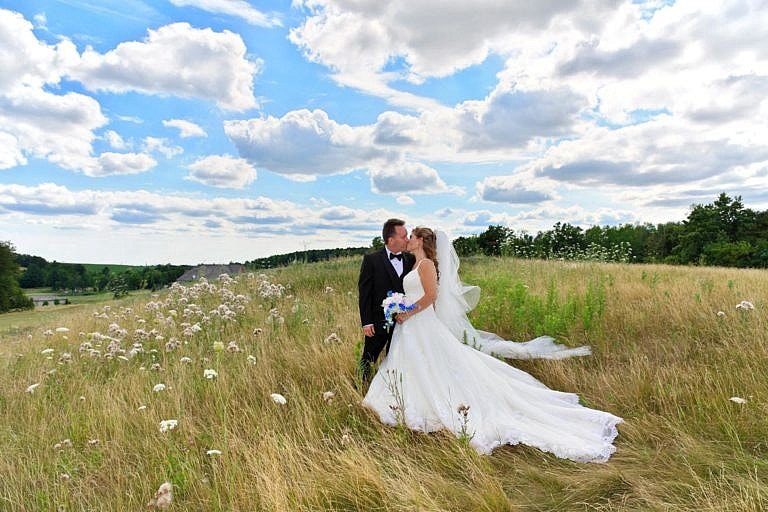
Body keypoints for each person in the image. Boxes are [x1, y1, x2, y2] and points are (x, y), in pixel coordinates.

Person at [362, 227, 622, 462]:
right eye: (405, 235)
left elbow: (431, 296)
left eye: (412, 236)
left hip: (420, 323)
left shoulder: (427, 264)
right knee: (410, 365)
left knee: (434, 365)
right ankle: (402, 402)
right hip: (410, 328)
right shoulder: (414, 261)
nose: (408, 239)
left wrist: (408, 311)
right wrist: (398, 306)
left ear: (420, 241)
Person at [357, 218, 416, 384]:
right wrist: (366, 322)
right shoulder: (372, 260)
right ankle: (359, 386)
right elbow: (365, 293)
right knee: (368, 358)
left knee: (396, 358)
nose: (407, 239)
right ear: (391, 240)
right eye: (404, 236)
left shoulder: (411, 259)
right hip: (378, 322)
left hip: (405, 322)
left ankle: (391, 387)